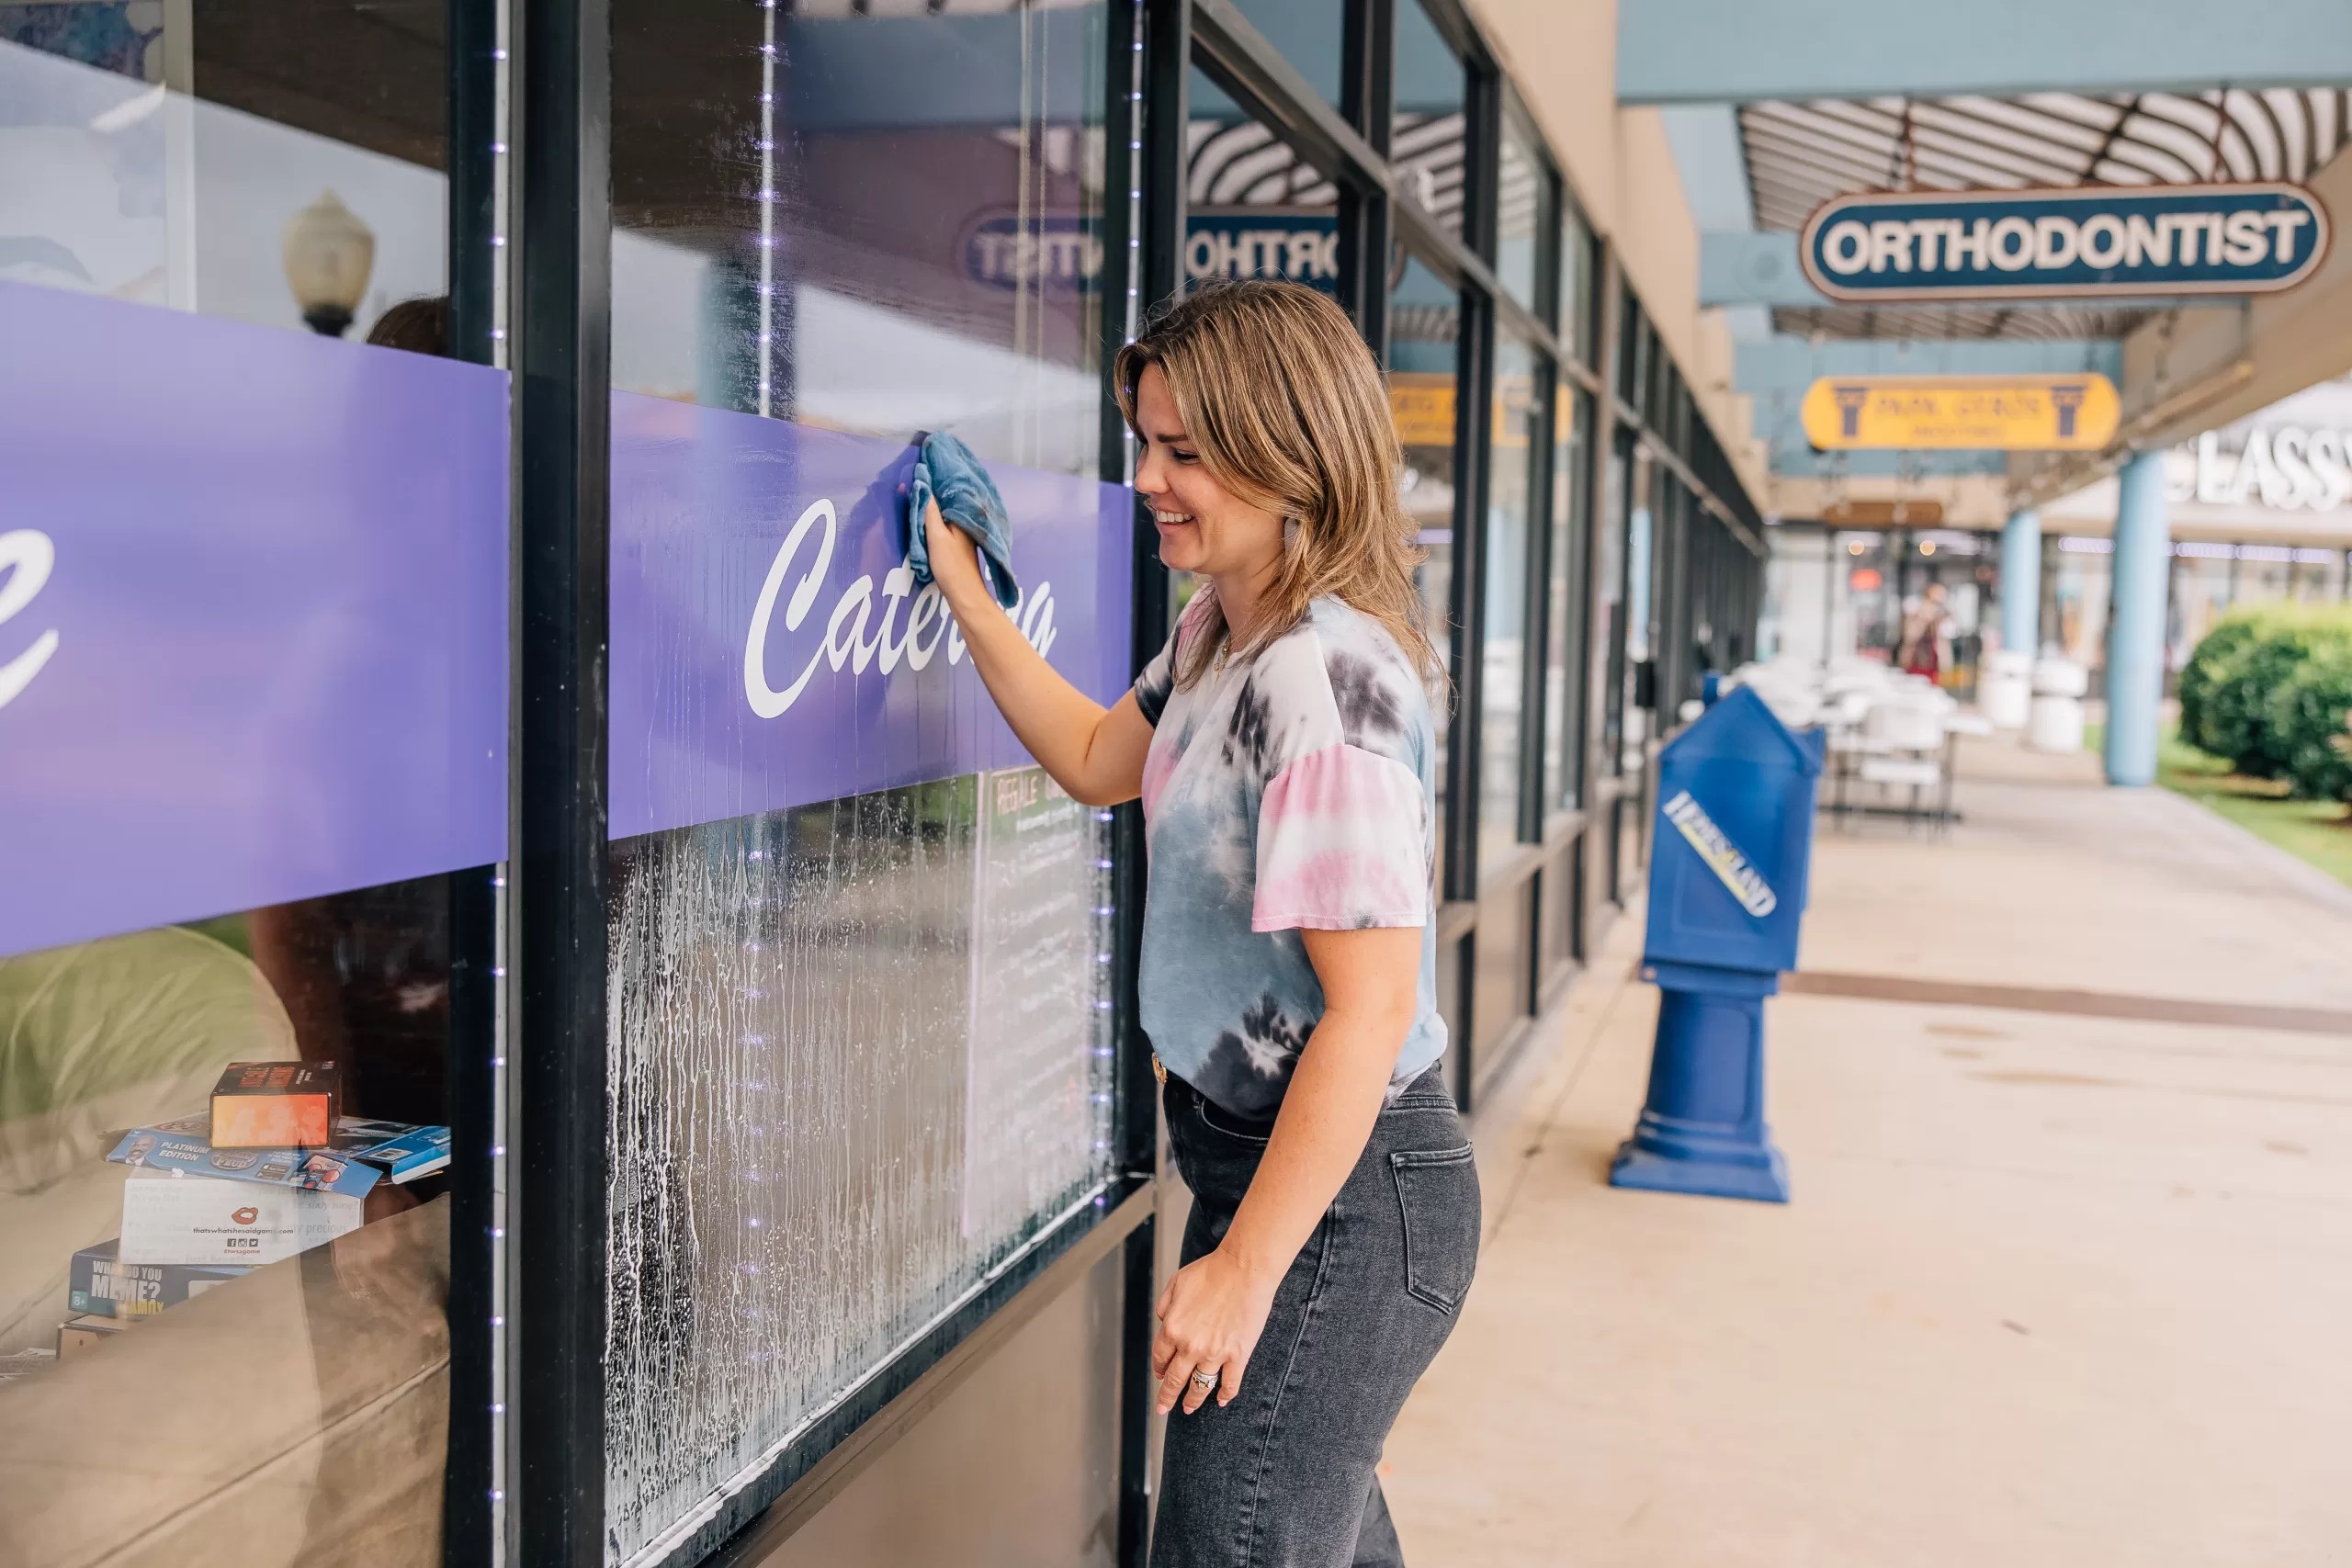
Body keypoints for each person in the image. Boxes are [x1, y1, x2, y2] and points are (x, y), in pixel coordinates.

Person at [922, 278, 1477, 1567]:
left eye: (1186, 451)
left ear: (1289, 457)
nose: (1152, 481)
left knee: (1230, 1543)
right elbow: (1093, 754)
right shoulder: (1223, 632)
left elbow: (1373, 1007)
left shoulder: (1323, 684)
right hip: (1267, 1170)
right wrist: (968, 593)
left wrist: (1246, 1269)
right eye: (1147, 445)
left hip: (1346, 1197)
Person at [1896, 580, 1953, 680]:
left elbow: (1949, 633)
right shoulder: (1915, 611)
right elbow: (1910, 636)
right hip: (1914, 659)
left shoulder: (1944, 613)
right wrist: (1922, 619)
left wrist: (1939, 621)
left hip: (1934, 660)